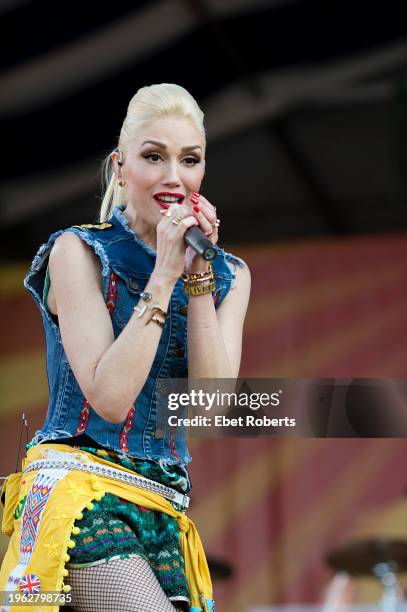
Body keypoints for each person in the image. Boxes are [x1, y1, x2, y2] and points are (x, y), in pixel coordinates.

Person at [0, 83, 251, 612]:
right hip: (79, 495)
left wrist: (199, 277)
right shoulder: (79, 251)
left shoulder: (230, 275)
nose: (173, 177)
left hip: (164, 507)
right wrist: (164, 273)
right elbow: (110, 398)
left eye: (190, 160)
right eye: (153, 157)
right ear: (120, 166)